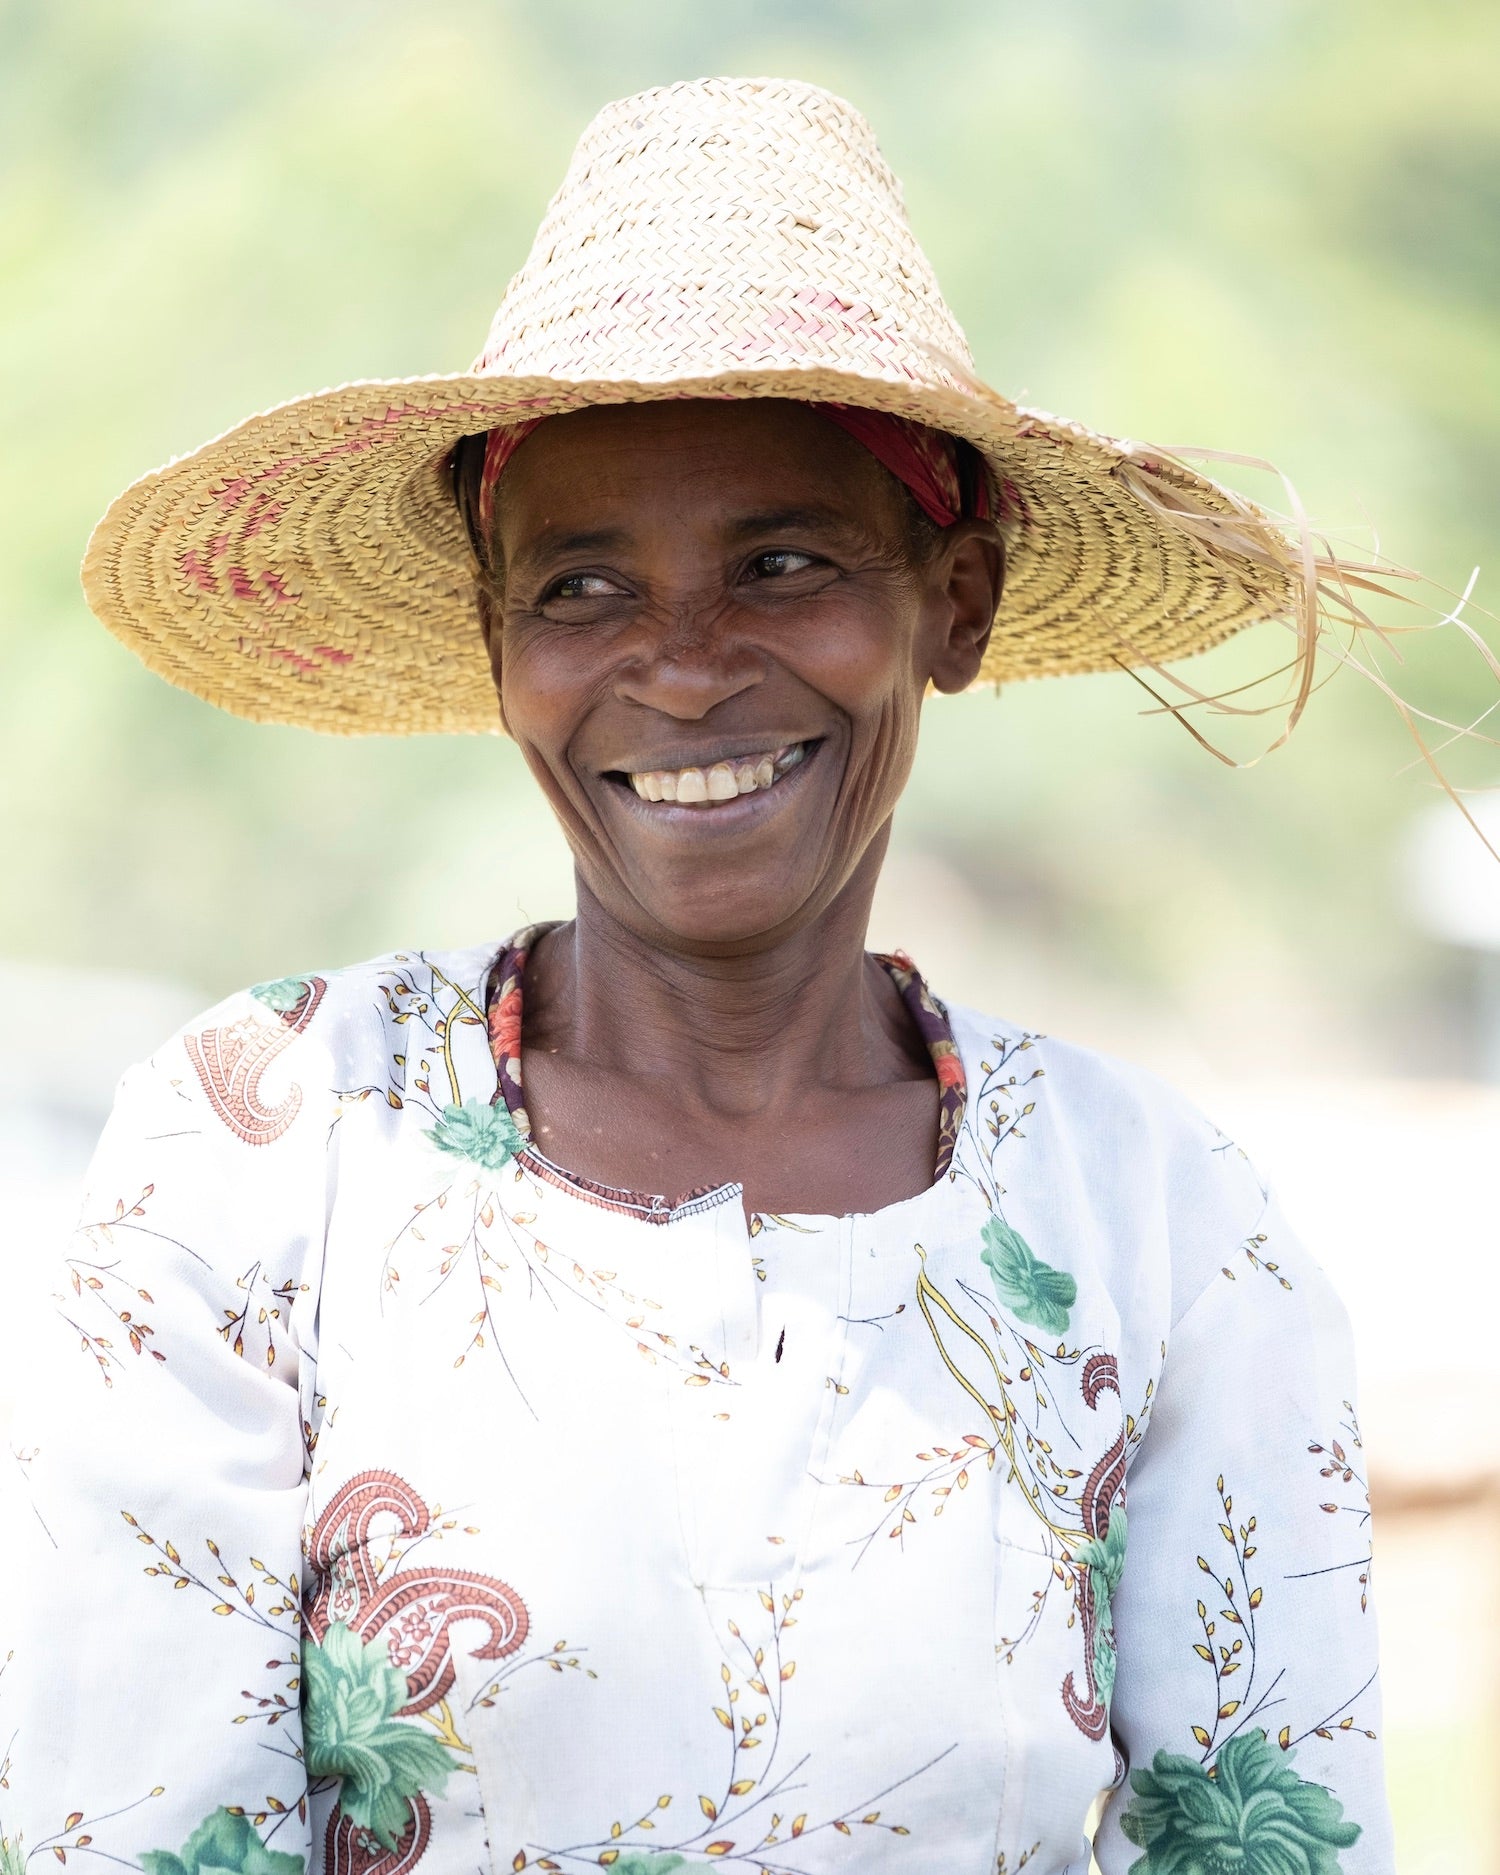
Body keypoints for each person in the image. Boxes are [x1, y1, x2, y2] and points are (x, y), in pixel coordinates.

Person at [3, 77, 1390, 1875]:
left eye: (785, 562)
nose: (679, 668)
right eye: (581, 589)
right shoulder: (264, 1151)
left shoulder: (1163, 1225)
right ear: (499, 648)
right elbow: (122, 1829)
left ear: (950, 605)